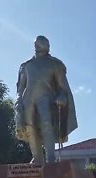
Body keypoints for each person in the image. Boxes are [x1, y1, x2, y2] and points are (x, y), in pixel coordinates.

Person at [15, 35, 78, 164]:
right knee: (30, 127)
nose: (37, 46)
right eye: (36, 44)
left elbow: (62, 86)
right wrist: (18, 100)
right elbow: (20, 88)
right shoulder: (26, 66)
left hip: (47, 99)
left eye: (40, 44)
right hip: (28, 100)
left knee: (47, 126)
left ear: (47, 46)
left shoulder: (55, 64)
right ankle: (37, 157)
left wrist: (62, 96)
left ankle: (50, 158)